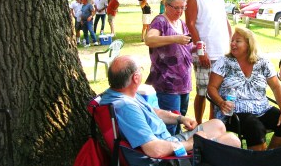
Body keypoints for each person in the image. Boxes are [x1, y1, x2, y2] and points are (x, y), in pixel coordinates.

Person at [100, 55, 241, 159]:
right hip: (167, 157)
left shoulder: (122, 93)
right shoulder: (126, 107)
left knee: (217, 125)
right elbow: (154, 150)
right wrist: (191, 143)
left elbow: (151, 112)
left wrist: (180, 118)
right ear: (136, 78)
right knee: (231, 141)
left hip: (170, 142)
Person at [207, 27, 281, 151]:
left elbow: (276, 86)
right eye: (232, 41)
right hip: (233, 112)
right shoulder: (224, 62)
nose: (233, 44)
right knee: (255, 128)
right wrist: (221, 103)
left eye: (237, 41)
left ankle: (266, 157)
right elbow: (211, 88)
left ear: (249, 44)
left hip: (262, 108)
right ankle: (257, 165)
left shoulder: (262, 62)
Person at [185, 0, 231, 124]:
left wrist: (231, 42)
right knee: (202, 91)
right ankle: (197, 123)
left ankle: (213, 123)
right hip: (205, 52)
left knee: (217, 91)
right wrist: (201, 51)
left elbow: (224, 19)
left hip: (222, 52)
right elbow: (190, 23)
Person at [145, 0, 193, 135]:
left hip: (184, 82)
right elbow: (149, 40)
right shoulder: (160, 21)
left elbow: (184, 48)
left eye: (183, 8)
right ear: (167, 6)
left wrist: (196, 48)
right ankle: (167, 152)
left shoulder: (181, 23)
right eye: (176, 8)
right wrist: (175, 38)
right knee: (169, 124)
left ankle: (177, 151)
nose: (180, 11)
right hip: (167, 82)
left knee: (181, 119)